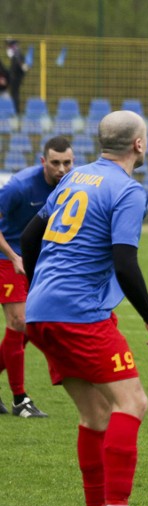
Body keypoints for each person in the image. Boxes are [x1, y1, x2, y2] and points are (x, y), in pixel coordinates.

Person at [20, 110, 148, 506]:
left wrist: (41, 287)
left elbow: (31, 238)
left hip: (40, 310)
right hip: (78, 314)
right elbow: (125, 261)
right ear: (139, 145)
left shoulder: (75, 176)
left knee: (94, 414)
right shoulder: (128, 190)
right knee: (133, 403)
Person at [0, 136, 75, 417]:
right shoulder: (19, 187)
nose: (61, 169)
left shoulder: (72, 183)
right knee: (19, 321)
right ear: (43, 161)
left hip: (36, 259)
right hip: (6, 256)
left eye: (67, 162)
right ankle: (20, 400)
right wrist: (12, 256)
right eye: (55, 163)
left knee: (32, 326)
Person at [5, 39, 27, 115]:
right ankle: (15, 111)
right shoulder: (17, 54)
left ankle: (16, 112)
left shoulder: (17, 54)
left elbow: (18, 66)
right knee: (14, 94)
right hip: (15, 77)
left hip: (16, 78)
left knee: (15, 95)